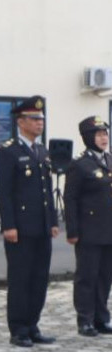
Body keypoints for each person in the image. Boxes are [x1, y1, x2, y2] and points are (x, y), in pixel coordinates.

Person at [0, 95, 59, 348]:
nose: (39, 123)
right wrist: (8, 225)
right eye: (34, 119)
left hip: (41, 226)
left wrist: (52, 220)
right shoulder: (9, 152)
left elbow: (47, 190)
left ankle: (33, 324)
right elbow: (4, 192)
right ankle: (18, 328)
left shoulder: (41, 151)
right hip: (19, 227)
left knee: (39, 277)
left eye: (41, 119)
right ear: (21, 122)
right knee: (21, 278)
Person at [63, 116, 112, 337]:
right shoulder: (80, 164)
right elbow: (70, 198)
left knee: (105, 276)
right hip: (89, 230)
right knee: (87, 276)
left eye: (105, 134)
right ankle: (85, 320)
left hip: (109, 230)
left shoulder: (109, 160)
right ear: (88, 138)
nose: (104, 138)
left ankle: (102, 317)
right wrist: (72, 230)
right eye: (99, 134)